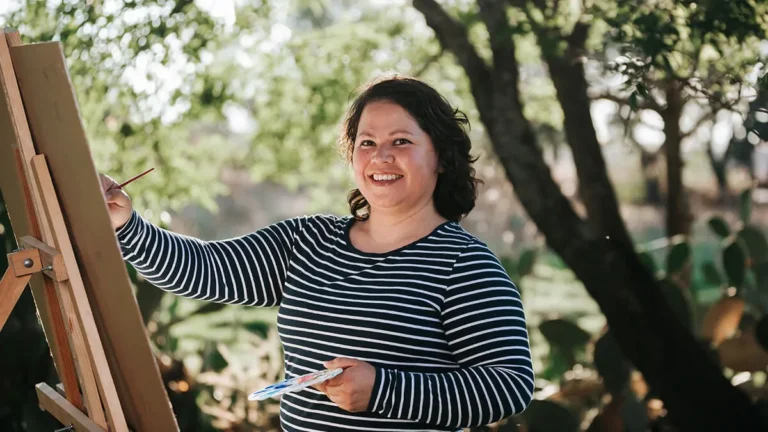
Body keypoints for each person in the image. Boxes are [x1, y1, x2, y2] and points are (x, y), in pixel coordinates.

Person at [101, 75, 534, 431]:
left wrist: (385, 389)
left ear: (440, 157)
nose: (380, 156)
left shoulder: (466, 266)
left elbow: (508, 385)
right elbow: (206, 270)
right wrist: (127, 224)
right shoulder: (308, 242)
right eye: (366, 142)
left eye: (401, 141)